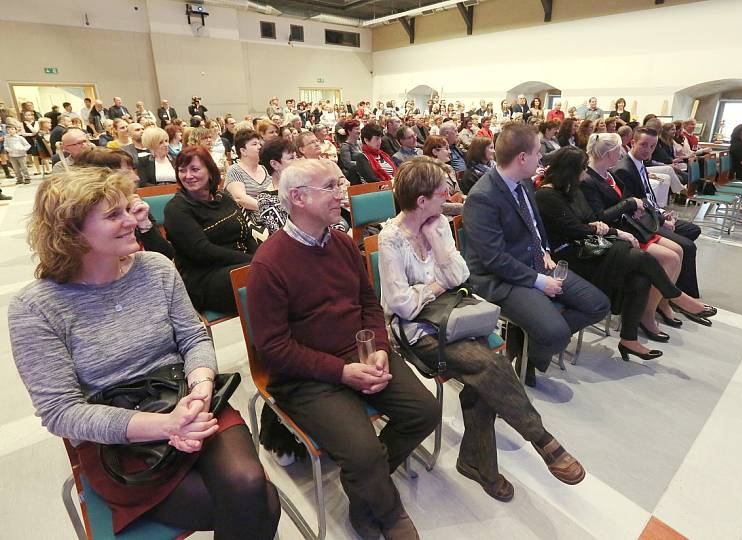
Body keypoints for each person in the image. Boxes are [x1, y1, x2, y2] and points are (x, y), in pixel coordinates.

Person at [8, 167, 280, 538]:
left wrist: (200, 391)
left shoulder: (155, 268)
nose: (133, 219)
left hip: (187, 398)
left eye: (128, 209)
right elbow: (61, 412)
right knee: (258, 501)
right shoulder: (36, 307)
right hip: (119, 434)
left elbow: (194, 339)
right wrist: (166, 425)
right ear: (70, 233)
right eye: (113, 215)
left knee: (249, 485)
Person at [246, 158, 438, 539]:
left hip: (360, 354)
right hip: (306, 376)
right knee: (364, 454)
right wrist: (341, 372)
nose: (341, 192)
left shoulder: (341, 243)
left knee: (424, 411)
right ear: (297, 198)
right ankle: (387, 510)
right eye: (330, 187)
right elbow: (273, 348)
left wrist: (380, 348)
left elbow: (368, 303)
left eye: (339, 184)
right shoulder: (269, 264)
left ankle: (363, 488)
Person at [380, 156, 585, 501]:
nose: (447, 197)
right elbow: (401, 305)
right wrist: (436, 286)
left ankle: (478, 464)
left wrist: (439, 248)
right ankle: (539, 439)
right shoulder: (391, 240)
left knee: (487, 371)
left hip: (456, 315)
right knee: (490, 365)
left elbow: (460, 277)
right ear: (421, 200)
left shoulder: (437, 225)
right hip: (417, 332)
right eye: (441, 193)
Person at [462, 124, 610, 385]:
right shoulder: (483, 197)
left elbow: (535, 225)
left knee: (598, 304)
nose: (541, 159)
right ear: (522, 158)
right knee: (556, 334)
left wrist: (545, 250)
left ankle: (530, 348)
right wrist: (541, 281)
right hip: (501, 278)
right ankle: (538, 341)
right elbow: (494, 259)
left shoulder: (525, 182)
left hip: (536, 262)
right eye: (537, 153)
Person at [537, 146, 715, 360]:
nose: (585, 173)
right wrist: (608, 230)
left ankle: (629, 339)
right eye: (582, 168)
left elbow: (587, 219)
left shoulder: (570, 189)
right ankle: (675, 296)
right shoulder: (546, 195)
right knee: (641, 257)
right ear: (571, 170)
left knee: (639, 279)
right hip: (571, 255)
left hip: (588, 245)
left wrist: (599, 226)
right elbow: (574, 228)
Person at [612, 127, 704, 308]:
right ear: (632, 143)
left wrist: (662, 214)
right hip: (640, 223)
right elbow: (636, 207)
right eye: (644, 145)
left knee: (693, 230)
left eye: (652, 146)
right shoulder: (624, 169)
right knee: (686, 246)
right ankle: (675, 296)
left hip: (651, 217)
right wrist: (661, 219)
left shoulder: (639, 164)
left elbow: (648, 198)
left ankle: (670, 289)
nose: (648, 150)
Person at [164, 146, 256, 314]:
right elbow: (203, 251)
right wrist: (254, 261)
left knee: (277, 267)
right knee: (265, 277)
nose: (188, 176)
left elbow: (246, 233)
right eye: (182, 170)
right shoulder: (176, 208)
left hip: (242, 263)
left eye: (195, 169)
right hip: (206, 277)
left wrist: (261, 256)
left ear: (210, 171)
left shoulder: (224, 197)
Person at [224, 128, 269, 215]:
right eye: (254, 144)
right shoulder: (235, 170)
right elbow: (240, 198)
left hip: (271, 218)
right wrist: (268, 207)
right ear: (243, 151)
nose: (259, 147)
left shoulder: (266, 168)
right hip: (249, 221)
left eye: (259, 143)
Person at [256, 137, 295, 236]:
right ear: (274, 164)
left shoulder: (307, 186)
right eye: (291, 158)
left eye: (297, 157)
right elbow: (284, 234)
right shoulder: (266, 199)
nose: (298, 161)